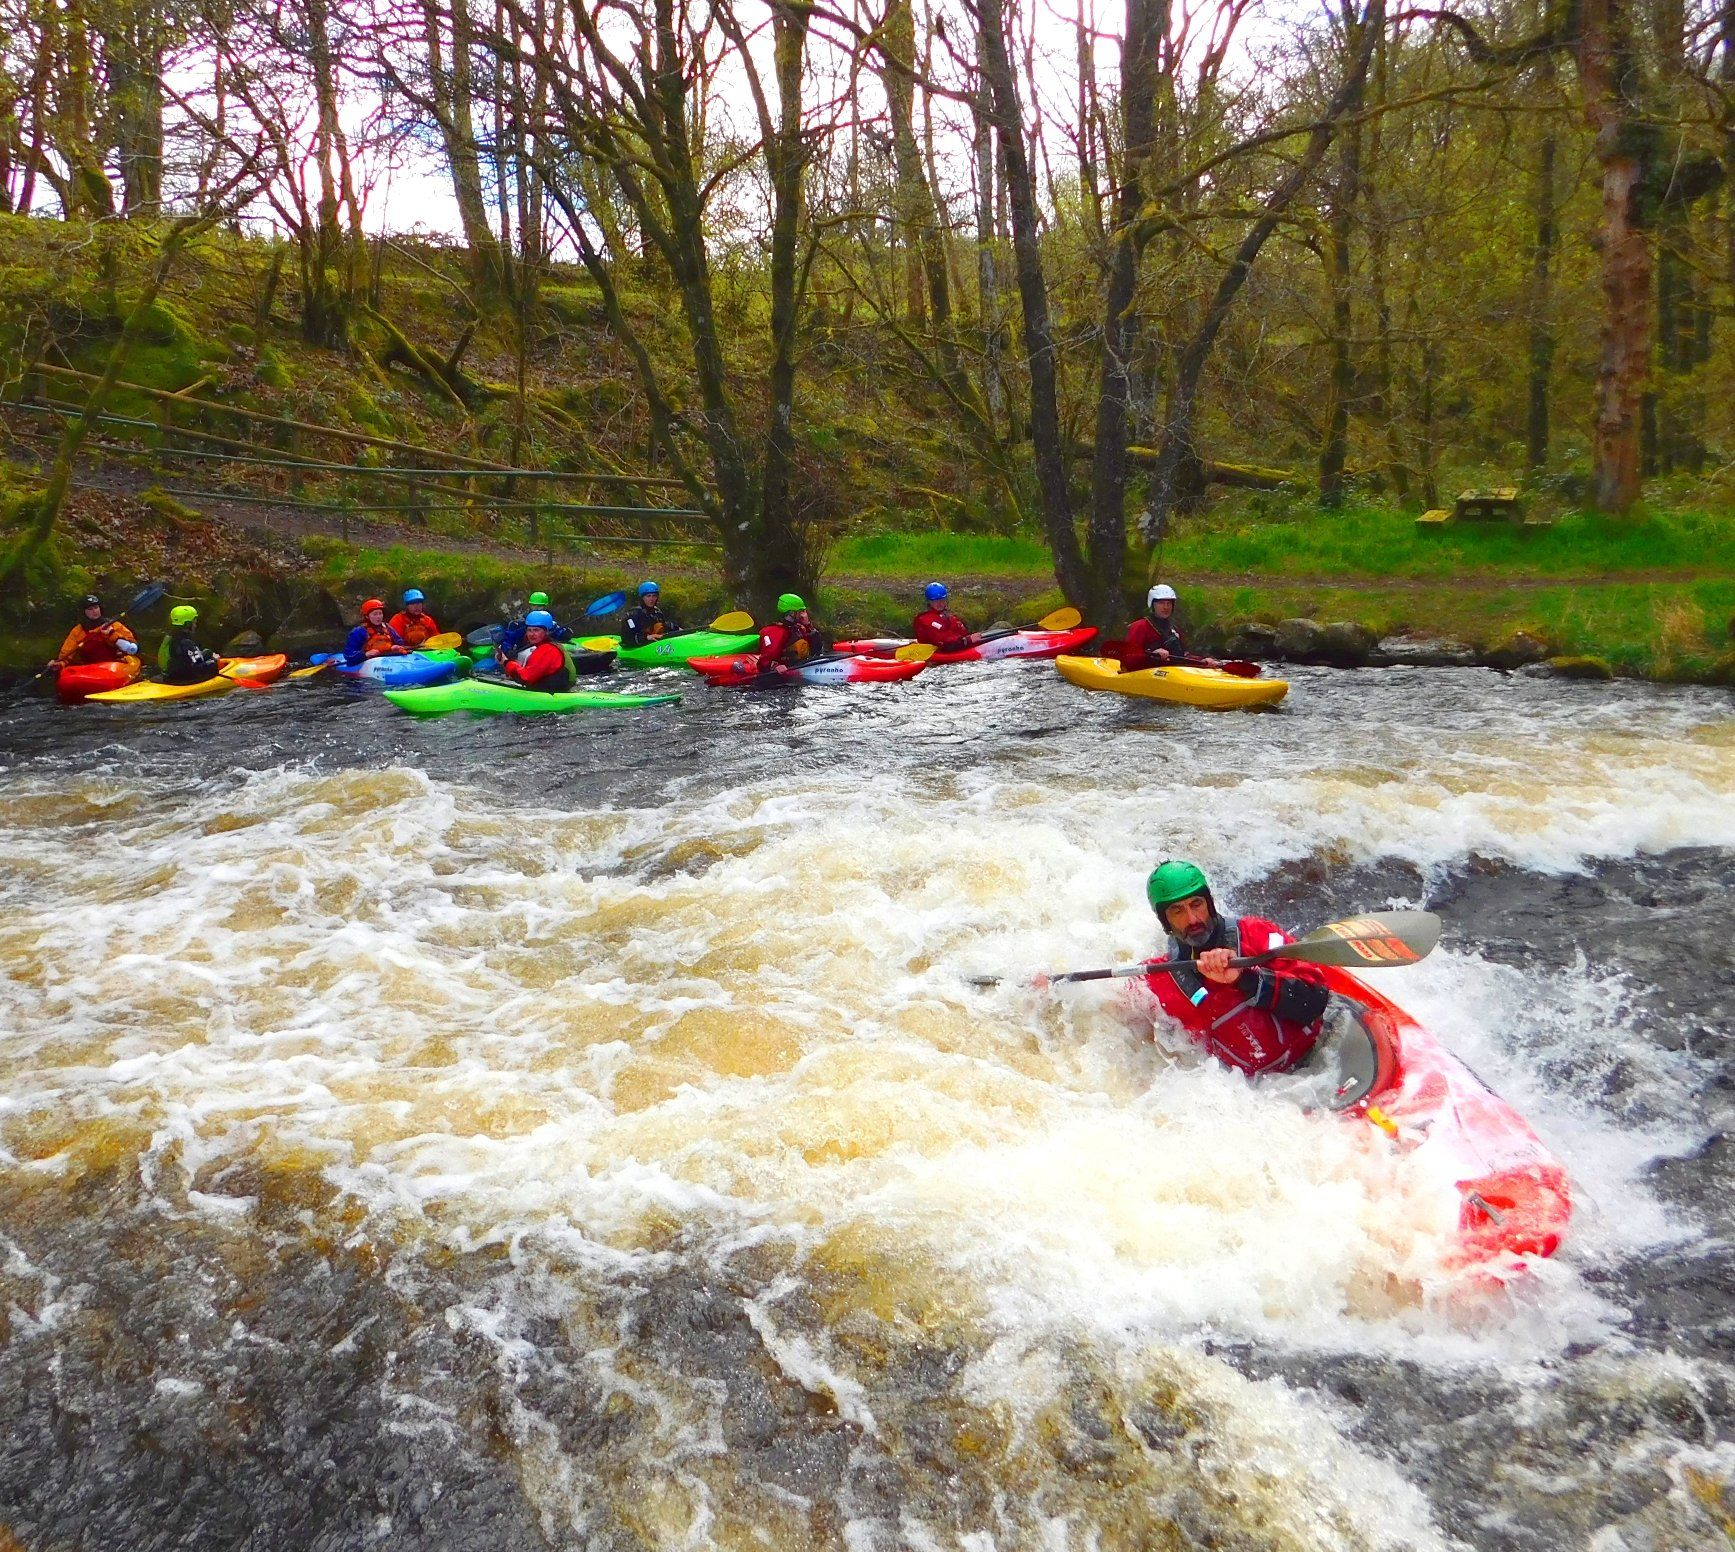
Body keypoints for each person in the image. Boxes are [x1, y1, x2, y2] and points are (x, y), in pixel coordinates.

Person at [1140, 860, 1332, 1079]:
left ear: (1209, 904)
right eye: (1177, 911)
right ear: (1164, 920)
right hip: (1252, 1092)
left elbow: (1315, 1000)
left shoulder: (1257, 934)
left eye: (1196, 904)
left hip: (1316, 1061)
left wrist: (1245, 979)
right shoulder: (1157, 980)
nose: (1192, 919)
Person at [46, 594, 139, 673]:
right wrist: (59, 663)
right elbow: (66, 654)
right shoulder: (78, 631)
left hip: (115, 666)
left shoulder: (114, 625)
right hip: (90, 669)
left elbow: (132, 646)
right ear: (84, 612)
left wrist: (112, 634)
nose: (94, 611)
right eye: (90, 609)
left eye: (96, 607)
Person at [496, 610, 573, 693]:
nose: (531, 634)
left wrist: (506, 662)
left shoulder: (547, 650)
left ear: (547, 632)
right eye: (529, 630)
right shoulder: (548, 646)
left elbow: (525, 678)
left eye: (536, 630)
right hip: (551, 691)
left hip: (551, 695)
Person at [755, 593, 825, 671]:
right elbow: (763, 663)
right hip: (783, 677)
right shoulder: (775, 632)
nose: (803, 615)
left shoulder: (798, 628)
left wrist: (808, 625)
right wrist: (775, 666)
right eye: (800, 612)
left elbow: (817, 651)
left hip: (802, 667)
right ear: (792, 613)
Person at [1122, 584, 1186, 669]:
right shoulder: (1139, 626)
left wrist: (1203, 661)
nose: (1166, 607)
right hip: (1143, 674)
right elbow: (1128, 657)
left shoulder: (1174, 629)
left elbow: (1184, 656)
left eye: (1169, 603)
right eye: (1161, 603)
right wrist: (1152, 654)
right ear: (1153, 605)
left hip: (1170, 674)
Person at [158, 604, 225, 685]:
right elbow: (198, 669)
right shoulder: (185, 643)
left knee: (208, 652)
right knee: (210, 660)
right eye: (194, 622)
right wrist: (214, 661)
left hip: (171, 673)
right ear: (187, 624)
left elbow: (189, 659)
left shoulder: (171, 637)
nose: (195, 625)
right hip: (182, 679)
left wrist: (209, 654)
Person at [497, 591, 573, 658]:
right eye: (534, 606)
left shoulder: (551, 623)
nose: (536, 608)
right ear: (530, 606)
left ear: (545, 607)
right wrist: (508, 650)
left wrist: (565, 633)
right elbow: (507, 639)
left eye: (539, 606)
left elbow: (564, 635)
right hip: (526, 655)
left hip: (545, 654)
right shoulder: (523, 624)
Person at [912, 582, 971, 653]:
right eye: (935, 601)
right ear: (929, 602)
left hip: (957, 646)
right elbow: (945, 644)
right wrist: (967, 641)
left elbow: (963, 633)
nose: (940, 603)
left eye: (942, 600)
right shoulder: (925, 620)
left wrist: (968, 639)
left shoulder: (949, 616)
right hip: (939, 652)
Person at [343, 599, 408, 665]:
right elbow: (349, 654)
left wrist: (395, 647)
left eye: (380, 613)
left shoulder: (387, 627)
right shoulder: (359, 631)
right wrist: (366, 654)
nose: (378, 617)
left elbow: (400, 643)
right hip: (368, 662)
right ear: (367, 616)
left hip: (387, 660)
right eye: (375, 614)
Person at [621, 581, 680, 648]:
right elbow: (627, 639)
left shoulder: (658, 613)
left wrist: (680, 630)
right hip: (638, 648)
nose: (651, 599)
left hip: (656, 646)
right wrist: (647, 637)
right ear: (642, 598)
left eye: (654, 596)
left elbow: (664, 627)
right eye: (648, 596)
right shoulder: (633, 615)